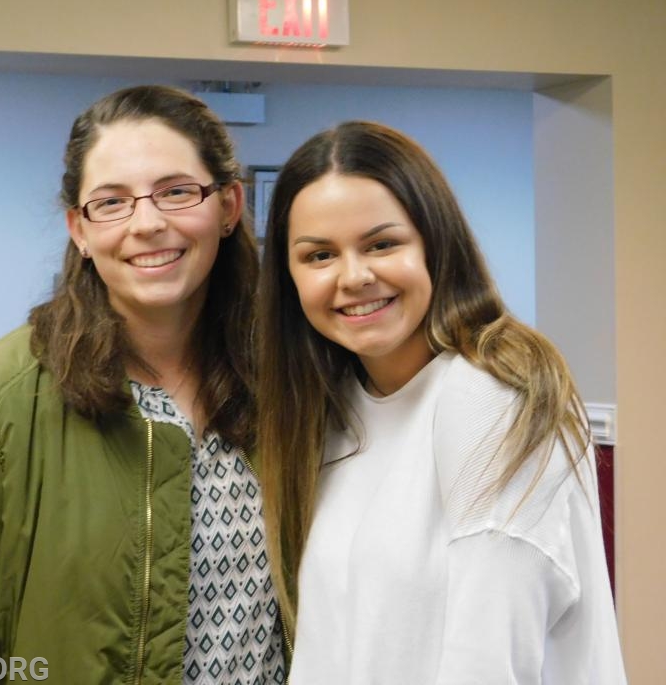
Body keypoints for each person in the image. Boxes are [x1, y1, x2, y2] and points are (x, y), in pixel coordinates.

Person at [0, 85, 286, 684]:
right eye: (111, 202)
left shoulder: (291, 383)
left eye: (176, 192)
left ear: (227, 206)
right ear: (80, 230)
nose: (147, 223)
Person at [257, 120, 626, 684]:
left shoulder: (489, 395)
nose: (353, 276)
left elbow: (485, 662)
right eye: (319, 255)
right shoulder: (336, 413)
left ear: (436, 244)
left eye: (382, 244)